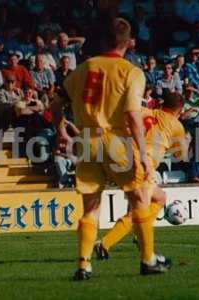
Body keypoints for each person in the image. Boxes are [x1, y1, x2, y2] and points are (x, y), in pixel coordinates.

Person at [52, 17, 172, 280]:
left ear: (105, 40)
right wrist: (143, 154)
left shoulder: (84, 68)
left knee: (90, 207)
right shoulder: (131, 71)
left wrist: (61, 128)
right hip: (116, 141)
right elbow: (132, 116)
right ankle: (148, 260)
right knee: (140, 199)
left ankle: (83, 265)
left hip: (86, 142)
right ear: (129, 43)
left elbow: (56, 102)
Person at [94, 92, 188, 261]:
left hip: (124, 159)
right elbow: (181, 155)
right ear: (179, 110)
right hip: (143, 166)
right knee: (146, 206)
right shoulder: (177, 125)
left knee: (153, 199)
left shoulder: (146, 111)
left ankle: (136, 234)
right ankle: (106, 243)